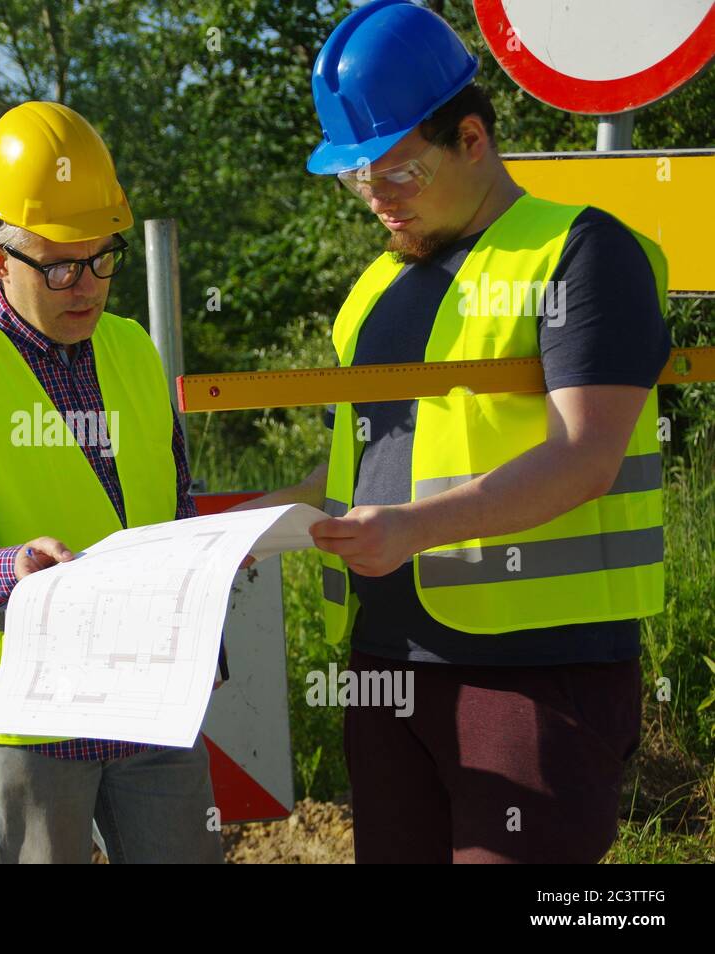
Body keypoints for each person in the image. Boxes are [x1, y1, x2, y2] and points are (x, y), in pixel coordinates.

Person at [231, 0, 670, 863]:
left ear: (472, 138)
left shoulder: (580, 253)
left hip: (538, 677)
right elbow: (357, 477)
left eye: (396, 174)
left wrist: (412, 531)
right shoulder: (374, 290)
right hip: (389, 666)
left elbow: (583, 456)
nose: (377, 203)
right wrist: (232, 526)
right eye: (359, 183)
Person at [0, 101, 223, 864]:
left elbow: (171, 505)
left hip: (150, 703)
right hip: (28, 723)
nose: (87, 285)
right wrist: (12, 568)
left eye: (102, 258)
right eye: (61, 265)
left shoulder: (134, 351)